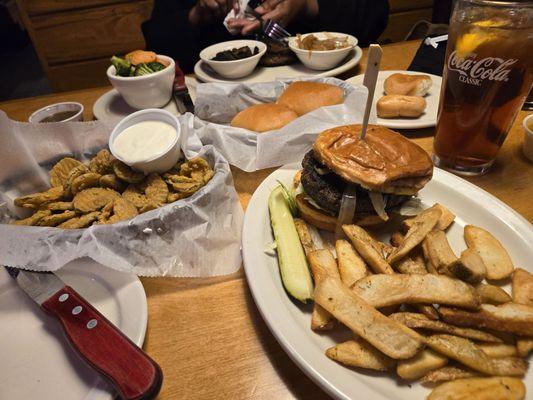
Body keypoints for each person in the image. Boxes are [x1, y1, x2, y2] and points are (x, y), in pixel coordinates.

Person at [142, 0, 390, 72]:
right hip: (213, 92)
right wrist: (196, 17)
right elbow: (158, 43)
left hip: (317, 80)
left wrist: (306, 6)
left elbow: (374, 13)